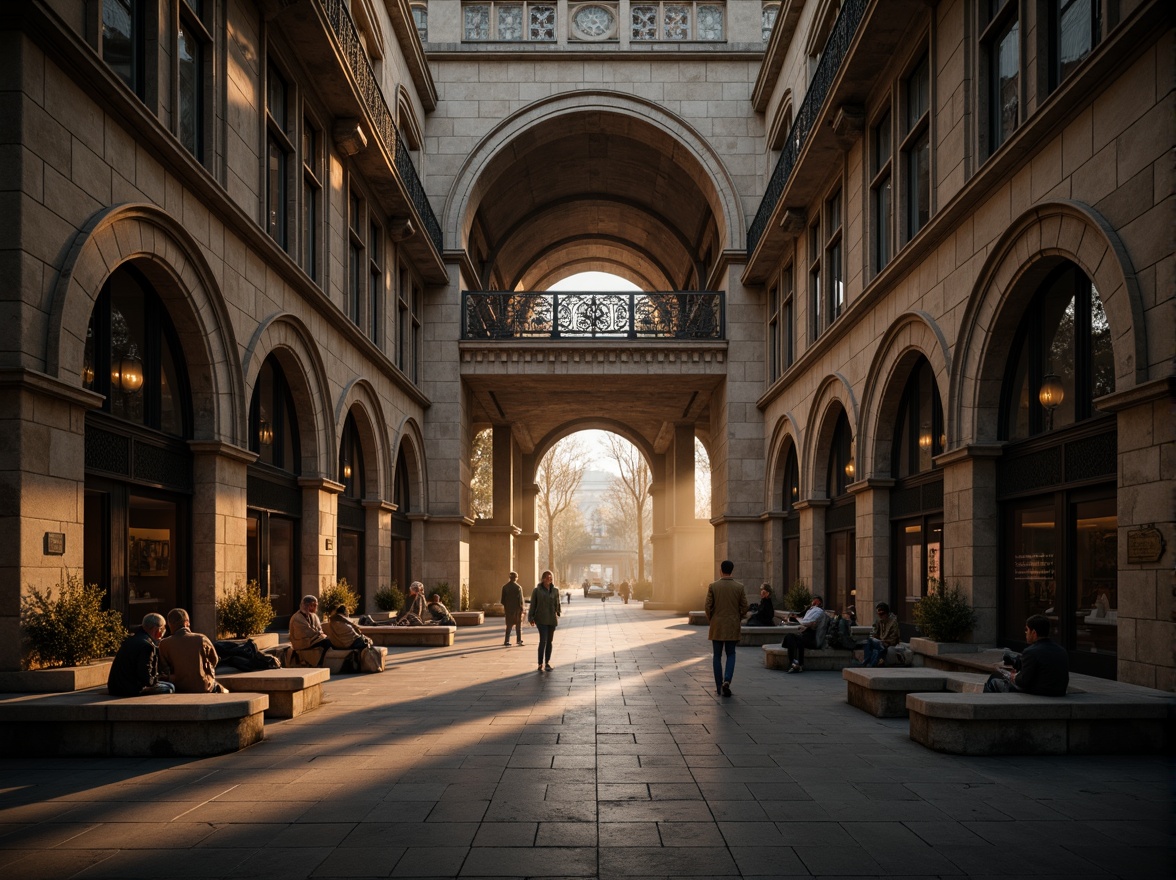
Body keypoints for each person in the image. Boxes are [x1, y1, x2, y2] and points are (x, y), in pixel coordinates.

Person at [984, 614, 1069, 695]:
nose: (1026, 633)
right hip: (1058, 692)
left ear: (1034, 633)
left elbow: (1023, 682)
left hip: (1038, 693)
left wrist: (1014, 676)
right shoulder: (1061, 650)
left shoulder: (1031, 651)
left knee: (994, 680)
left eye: (1027, 630)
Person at [158, 608, 228, 693]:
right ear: (187, 622)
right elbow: (214, 659)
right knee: (223, 690)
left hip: (178, 687)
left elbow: (164, 669)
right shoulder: (201, 638)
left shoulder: (164, 643)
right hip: (203, 685)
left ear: (169, 624)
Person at [705, 560, 748, 696]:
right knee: (731, 654)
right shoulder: (739, 587)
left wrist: (712, 618)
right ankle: (727, 680)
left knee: (717, 655)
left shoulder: (713, 586)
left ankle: (719, 685)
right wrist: (738, 617)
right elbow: (745, 606)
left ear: (720, 570)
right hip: (732, 624)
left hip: (717, 624)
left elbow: (707, 606)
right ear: (732, 570)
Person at [107, 613, 176, 696]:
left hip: (116, 687)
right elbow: (146, 679)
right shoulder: (147, 646)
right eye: (163, 629)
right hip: (130, 689)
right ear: (157, 630)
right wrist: (158, 678)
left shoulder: (131, 640)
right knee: (170, 687)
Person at [782, 595, 825, 673]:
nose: (812, 603)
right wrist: (803, 626)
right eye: (813, 601)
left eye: (815, 601)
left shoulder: (819, 612)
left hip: (813, 639)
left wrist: (802, 622)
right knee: (791, 638)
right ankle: (795, 663)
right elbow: (808, 623)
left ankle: (795, 664)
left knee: (793, 638)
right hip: (806, 636)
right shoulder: (812, 610)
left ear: (819, 602)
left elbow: (812, 623)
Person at [528, 570, 561, 671]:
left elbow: (557, 602)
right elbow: (533, 604)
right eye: (547, 577)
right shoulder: (537, 590)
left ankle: (547, 662)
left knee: (549, 641)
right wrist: (531, 617)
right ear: (543, 578)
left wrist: (558, 612)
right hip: (541, 619)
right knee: (543, 641)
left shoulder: (555, 590)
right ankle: (539, 663)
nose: (549, 579)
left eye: (550, 577)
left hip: (551, 619)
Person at [289, 595, 332, 666]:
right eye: (312, 605)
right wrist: (319, 634)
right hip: (301, 642)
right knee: (326, 642)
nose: (314, 608)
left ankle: (322, 662)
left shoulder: (314, 616)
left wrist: (319, 634)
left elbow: (319, 629)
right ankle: (320, 663)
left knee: (329, 641)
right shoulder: (297, 618)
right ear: (304, 605)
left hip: (313, 640)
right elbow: (307, 633)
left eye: (315, 605)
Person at [860, 602, 900, 667]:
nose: (880, 616)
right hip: (880, 642)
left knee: (879, 648)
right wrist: (875, 638)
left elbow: (894, 638)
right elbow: (876, 633)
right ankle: (866, 662)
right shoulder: (879, 621)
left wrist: (885, 642)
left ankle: (871, 664)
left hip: (888, 643)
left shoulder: (893, 623)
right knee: (868, 641)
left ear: (886, 613)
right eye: (879, 614)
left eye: (882, 614)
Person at [501, 571, 525, 646]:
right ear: (516, 578)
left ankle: (506, 641)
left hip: (508, 610)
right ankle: (519, 640)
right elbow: (520, 600)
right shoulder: (518, 587)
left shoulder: (505, 587)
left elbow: (502, 600)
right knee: (518, 626)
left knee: (509, 625)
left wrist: (507, 606)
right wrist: (522, 608)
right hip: (517, 610)